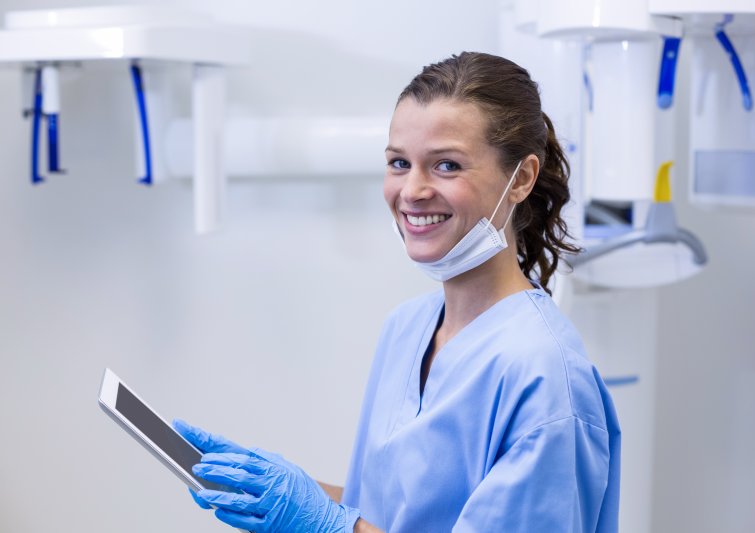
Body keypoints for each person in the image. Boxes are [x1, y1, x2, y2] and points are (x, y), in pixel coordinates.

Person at [174, 51, 621, 533]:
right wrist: (280, 491)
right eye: (399, 163)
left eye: (447, 165)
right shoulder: (407, 327)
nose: (412, 190)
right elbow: (397, 513)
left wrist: (326, 525)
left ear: (523, 178)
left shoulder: (546, 377)